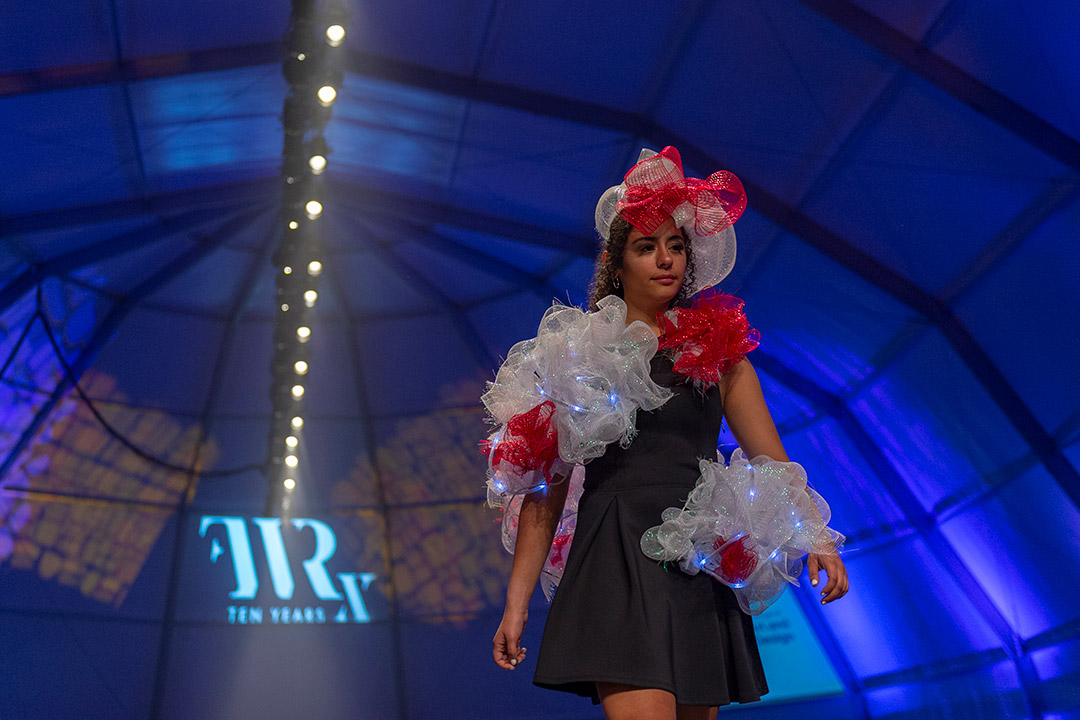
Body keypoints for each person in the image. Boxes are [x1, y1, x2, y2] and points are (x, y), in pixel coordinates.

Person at [486, 147, 848, 720]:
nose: (665, 260)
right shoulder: (577, 356)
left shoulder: (722, 355)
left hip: (695, 559)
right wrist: (517, 604)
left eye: (676, 247)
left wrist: (817, 537)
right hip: (612, 558)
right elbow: (546, 490)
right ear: (617, 262)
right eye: (646, 247)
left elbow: (770, 460)